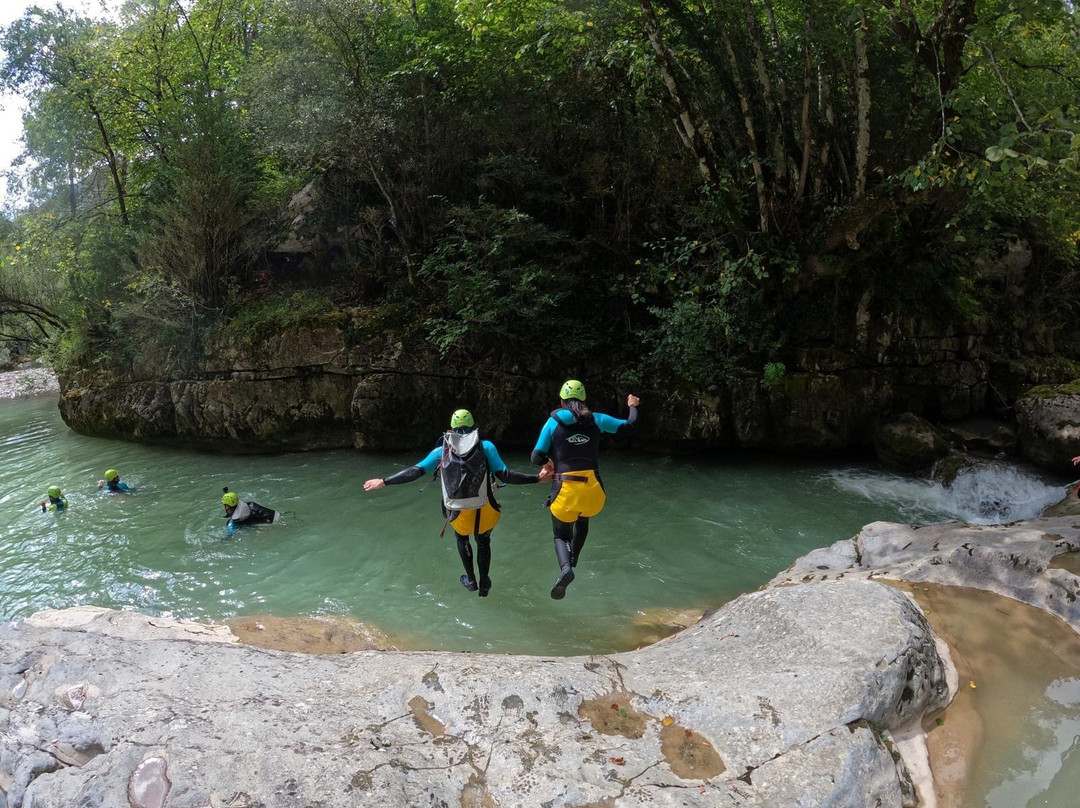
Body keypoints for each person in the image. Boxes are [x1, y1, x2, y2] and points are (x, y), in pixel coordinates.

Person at [363, 408, 547, 597]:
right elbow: (506, 475)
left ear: (450, 429)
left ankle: (471, 579)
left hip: (458, 514)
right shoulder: (486, 447)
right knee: (483, 542)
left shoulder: (440, 452)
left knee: (462, 538)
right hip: (486, 510)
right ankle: (485, 582)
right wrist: (536, 479)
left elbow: (415, 471)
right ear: (473, 427)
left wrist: (384, 481)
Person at [531, 380, 639, 599]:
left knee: (561, 535)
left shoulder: (552, 423)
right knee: (583, 517)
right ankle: (575, 559)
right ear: (583, 401)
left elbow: (536, 456)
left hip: (565, 490)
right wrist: (633, 405)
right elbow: (630, 426)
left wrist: (548, 463)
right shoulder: (597, 420)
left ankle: (566, 569)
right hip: (593, 491)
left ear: (562, 401)